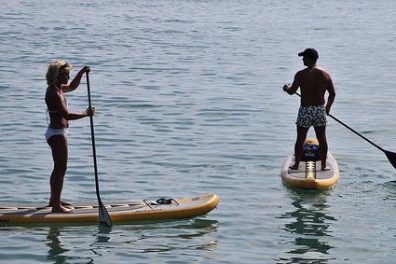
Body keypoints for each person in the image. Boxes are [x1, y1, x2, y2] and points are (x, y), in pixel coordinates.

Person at [45, 60, 94, 213]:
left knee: (58, 168)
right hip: (57, 134)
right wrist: (86, 114)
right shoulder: (53, 91)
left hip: (57, 133)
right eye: (65, 74)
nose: (68, 76)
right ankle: (56, 206)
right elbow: (66, 114)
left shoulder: (58, 88)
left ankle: (54, 200)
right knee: (61, 168)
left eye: (68, 74)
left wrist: (81, 72)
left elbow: (73, 86)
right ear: (56, 75)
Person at [283, 48, 336, 171]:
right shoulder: (326, 75)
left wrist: (286, 88)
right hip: (319, 110)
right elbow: (332, 94)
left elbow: (291, 91)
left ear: (310, 58)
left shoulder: (301, 74)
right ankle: (323, 165)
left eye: (304, 57)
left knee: (300, 138)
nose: (302, 59)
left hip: (305, 110)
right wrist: (327, 108)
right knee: (322, 138)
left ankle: (296, 165)